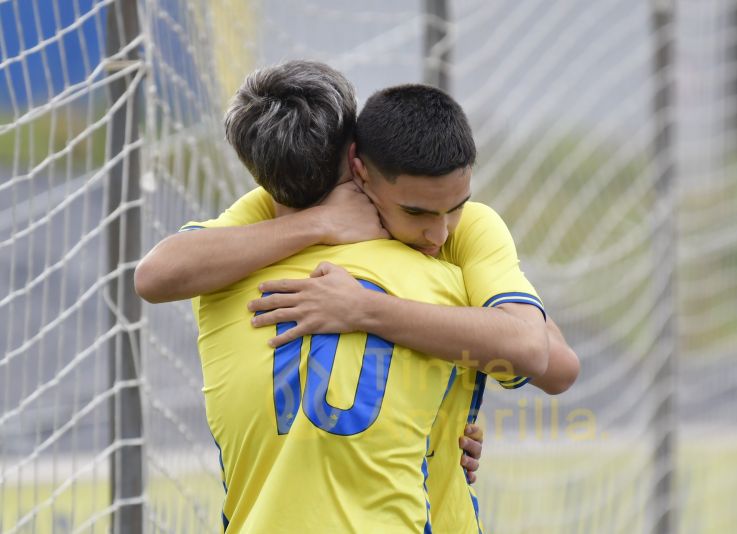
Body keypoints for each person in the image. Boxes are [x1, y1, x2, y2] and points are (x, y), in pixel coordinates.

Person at [135, 61, 579, 532]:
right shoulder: (447, 277)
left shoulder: (233, 260)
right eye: (416, 211)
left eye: (456, 207)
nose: (438, 230)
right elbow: (545, 359)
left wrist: (364, 309)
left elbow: (153, 276)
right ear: (356, 162)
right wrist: (322, 225)